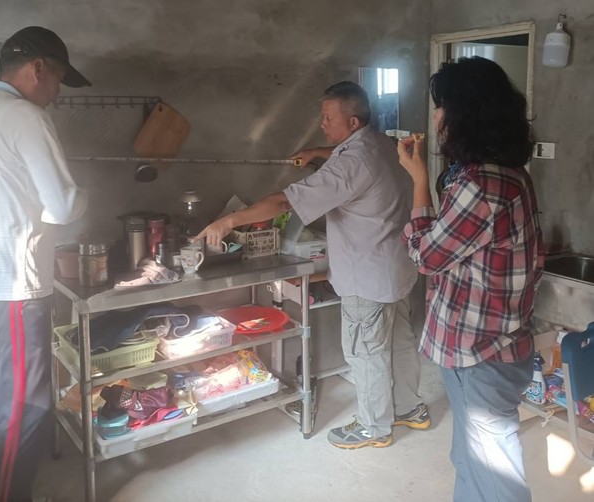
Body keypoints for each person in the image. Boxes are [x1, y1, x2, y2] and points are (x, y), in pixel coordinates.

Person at [196, 81, 430, 449]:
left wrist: (229, 221)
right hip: (397, 267)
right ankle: (410, 408)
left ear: (352, 122)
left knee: (365, 352)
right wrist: (317, 152)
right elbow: (347, 154)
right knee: (399, 342)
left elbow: (284, 202)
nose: (321, 124)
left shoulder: (349, 164)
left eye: (327, 118)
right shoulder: (384, 143)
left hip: (366, 278)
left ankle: (375, 427)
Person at [0, 26, 90, 501]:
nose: (57, 93)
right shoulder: (26, 117)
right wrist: (83, 196)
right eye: (59, 79)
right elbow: (63, 206)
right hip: (9, 288)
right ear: (38, 69)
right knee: (24, 412)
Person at [398, 56, 544, 502]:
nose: (436, 117)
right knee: (470, 458)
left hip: (479, 351)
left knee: (494, 473)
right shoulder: (506, 174)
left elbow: (428, 256)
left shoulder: (481, 185)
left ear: (464, 113)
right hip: (490, 346)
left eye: (441, 107)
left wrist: (418, 180)